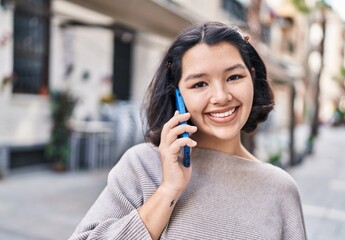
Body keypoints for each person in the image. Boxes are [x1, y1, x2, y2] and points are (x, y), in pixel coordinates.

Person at [69, 22, 307, 240]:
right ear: (178, 95)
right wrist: (168, 191)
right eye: (199, 84)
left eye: (234, 77)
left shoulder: (280, 190)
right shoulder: (141, 166)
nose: (221, 96)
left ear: (252, 79)